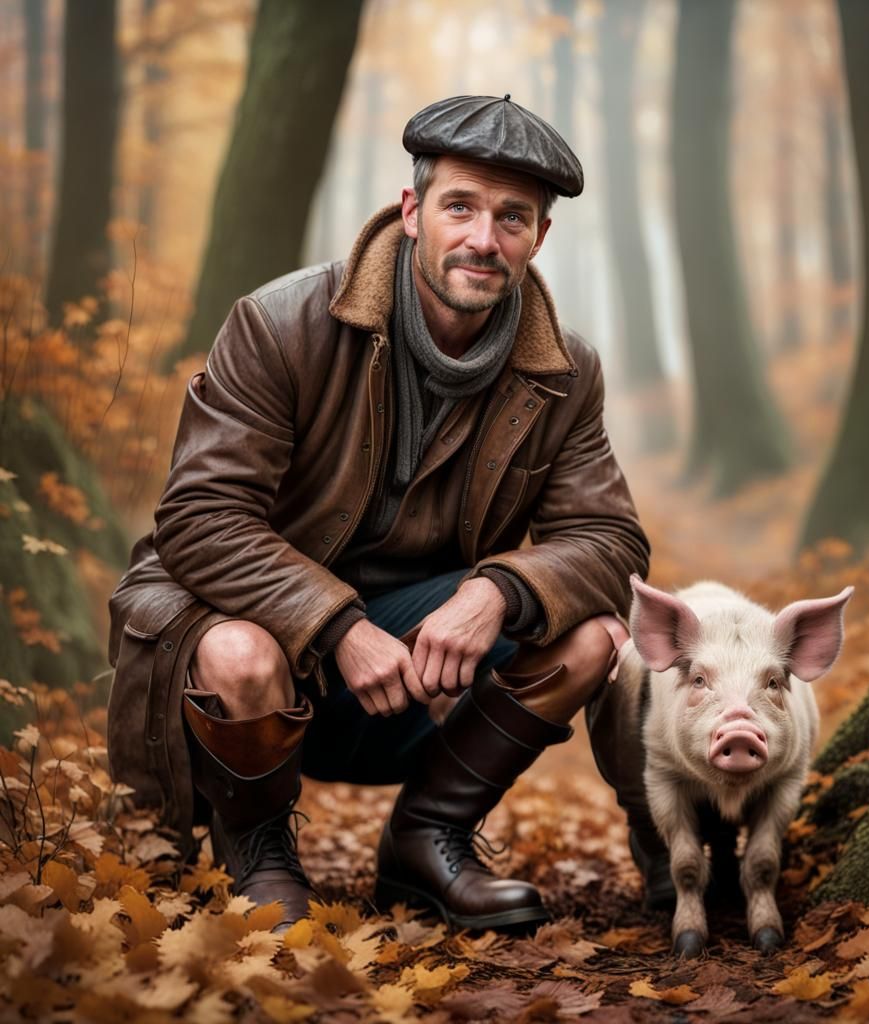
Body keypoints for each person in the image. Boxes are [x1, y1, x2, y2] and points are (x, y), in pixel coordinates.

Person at [106, 94, 649, 932]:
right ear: (411, 212)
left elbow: (610, 540)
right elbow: (200, 517)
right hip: (248, 654)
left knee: (595, 638)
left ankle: (426, 840)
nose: (483, 238)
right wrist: (335, 626)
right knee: (243, 653)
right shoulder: (280, 323)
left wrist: (496, 592)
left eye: (513, 218)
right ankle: (256, 854)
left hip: (417, 679)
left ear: (539, 238)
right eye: (460, 207)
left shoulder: (565, 370)